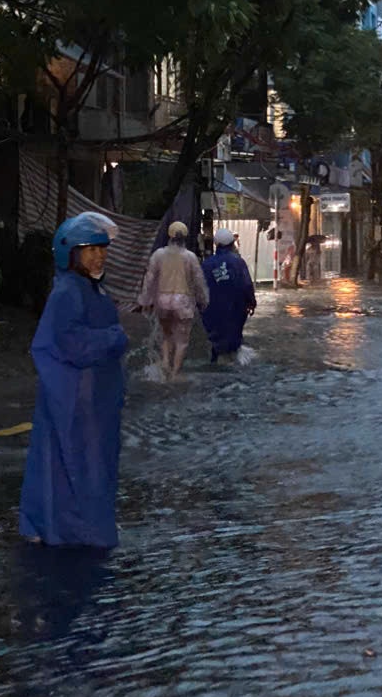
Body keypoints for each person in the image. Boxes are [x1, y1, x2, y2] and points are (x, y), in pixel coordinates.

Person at [19, 212, 128, 549]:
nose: (99, 256)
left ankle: (61, 522)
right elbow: (71, 343)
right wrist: (114, 337)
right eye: (90, 249)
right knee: (73, 461)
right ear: (71, 253)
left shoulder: (89, 288)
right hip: (75, 398)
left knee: (77, 461)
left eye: (102, 249)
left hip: (88, 397)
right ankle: (71, 527)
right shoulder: (68, 291)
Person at [138, 220, 209, 380]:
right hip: (183, 303)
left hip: (162, 301)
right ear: (185, 237)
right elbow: (199, 281)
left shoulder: (158, 254)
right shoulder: (190, 257)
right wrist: (203, 299)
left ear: (169, 236)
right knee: (181, 341)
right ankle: (175, 373)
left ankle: (165, 362)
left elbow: (149, 279)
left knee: (166, 334)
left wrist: (145, 301)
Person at [201, 227, 257, 362]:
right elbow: (246, 284)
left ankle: (215, 360)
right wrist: (251, 302)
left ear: (216, 244)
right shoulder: (238, 262)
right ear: (232, 244)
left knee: (215, 338)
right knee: (234, 337)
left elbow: (200, 287)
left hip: (212, 308)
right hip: (236, 307)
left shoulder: (206, 264)